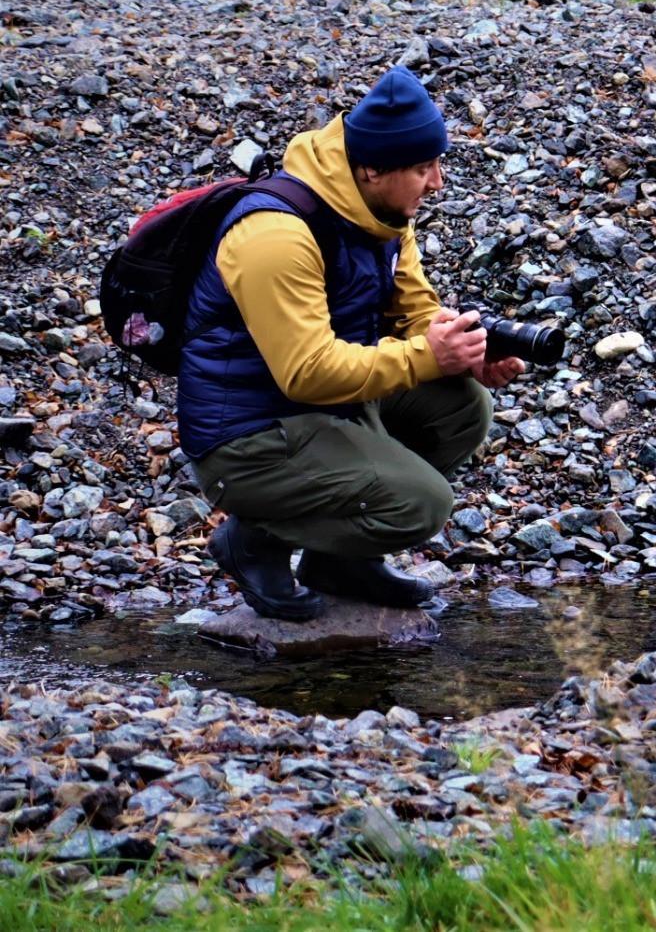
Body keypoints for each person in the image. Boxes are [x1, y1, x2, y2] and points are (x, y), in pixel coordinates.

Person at [180, 67, 523, 621]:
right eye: (422, 169)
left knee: (462, 405)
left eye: (436, 164)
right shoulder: (274, 234)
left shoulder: (382, 211)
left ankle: (341, 562)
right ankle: (252, 542)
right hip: (245, 436)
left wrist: (465, 353)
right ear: (370, 168)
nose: (437, 183)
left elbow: (414, 311)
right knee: (423, 504)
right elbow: (307, 372)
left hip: (322, 409)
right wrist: (425, 357)